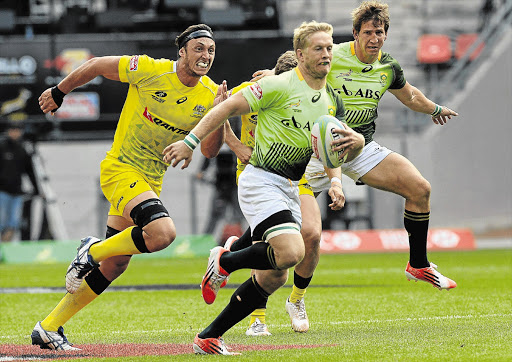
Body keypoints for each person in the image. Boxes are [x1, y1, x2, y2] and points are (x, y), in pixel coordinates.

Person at [247, 0, 459, 333]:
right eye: (369, 32)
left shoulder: (388, 67)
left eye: (380, 32)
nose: (375, 38)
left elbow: (410, 95)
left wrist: (434, 109)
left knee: (420, 189)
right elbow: (300, 70)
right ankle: (253, 266)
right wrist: (273, 76)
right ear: (356, 34)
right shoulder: (335, 55)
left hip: (358, 148)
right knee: (309, 236)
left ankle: (417, 265)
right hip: (314, 150)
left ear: (386, 35)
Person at [164, 21, 364, 355]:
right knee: (291, 252)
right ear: (300, 55)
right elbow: (225, 108)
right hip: (261, 180)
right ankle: (225, 261)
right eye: (318, 48)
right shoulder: (277, 85)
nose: (327, 54)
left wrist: (339, 172)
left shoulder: (330, 99)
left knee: (275, 277)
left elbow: (333, 145)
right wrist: (190, 141)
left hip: (288, 184)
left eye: (330, 47)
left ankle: (209, 336)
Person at [31, 24, 228, 351]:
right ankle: (90, 250)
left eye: (210, 50)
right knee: (163, 234)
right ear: (182, 51)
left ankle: (49, 327)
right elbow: (95, 66)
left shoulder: (209, 94)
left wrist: (220, 113)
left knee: (117, 263)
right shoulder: (150, 70)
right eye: (199, 49)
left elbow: (208, 151)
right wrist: (59, 91)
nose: (205, 55)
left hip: (150, 180)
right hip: (121, 168)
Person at [222, 50, 362, 336]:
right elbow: (217, 111)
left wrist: (336, 182)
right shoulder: (255, 91)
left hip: (294, 175)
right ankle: (257, 316)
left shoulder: (313, 100)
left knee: (311, 234)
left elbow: (328, 142)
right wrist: (235, 145)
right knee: (273, 245)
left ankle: (296, 300)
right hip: (257, 173)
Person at [0, 121, 39, 242]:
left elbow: (30, 171)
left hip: (17, 191)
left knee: (14, 222)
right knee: (2, 221)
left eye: (17, 130)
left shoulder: (22, 150)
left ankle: (5, 247)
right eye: (13, 130)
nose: (15, 133)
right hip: (2, 191)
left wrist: (36, 188)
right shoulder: (2, 147)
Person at [195, 142, 243, 240]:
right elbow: (209, 154)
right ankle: (205, 241)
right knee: (214, 215)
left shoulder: (236, 140)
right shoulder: (216, 142)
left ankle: (247, 239)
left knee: (241, 214)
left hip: (234, 185)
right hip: (220, 185)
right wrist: (202, 170)